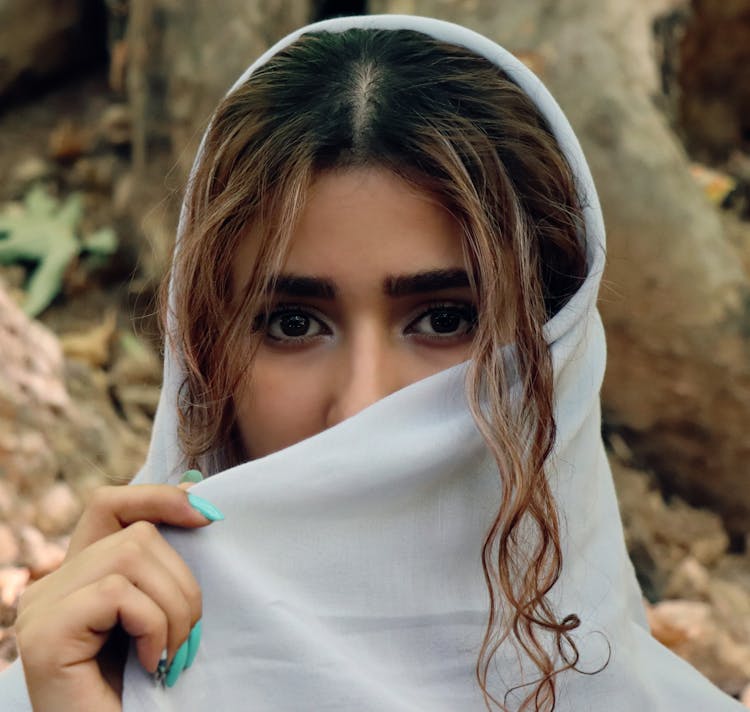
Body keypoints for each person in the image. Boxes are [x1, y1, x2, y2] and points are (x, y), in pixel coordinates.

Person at [1, 13, 745, 712]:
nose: (362, 405)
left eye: (445, 319)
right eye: (293, 323)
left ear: (556, 355)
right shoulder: (70, 680)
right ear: (205, 359)